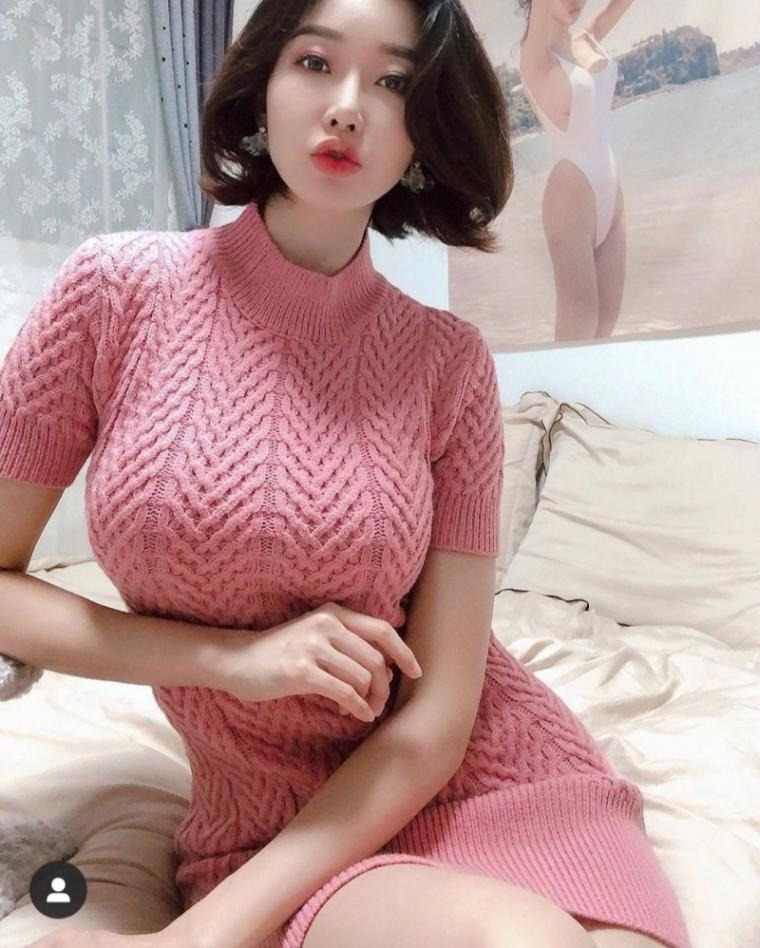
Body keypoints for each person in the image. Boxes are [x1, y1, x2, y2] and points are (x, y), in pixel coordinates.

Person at [0, 1, 689, 947]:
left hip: (491, 774)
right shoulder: (114, 291)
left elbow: (441, 714)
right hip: (278, 824)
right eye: (316, 63)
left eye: (395, 81)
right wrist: (228, 663)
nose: (349, 105)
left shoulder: (447, 361)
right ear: (261, 89)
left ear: (425, 129)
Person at [517, 0, 633, 342]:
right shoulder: (534, 56)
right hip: (570, 200)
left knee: (605, 326)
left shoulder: (587, 38)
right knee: (577, 334)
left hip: (610, 192)